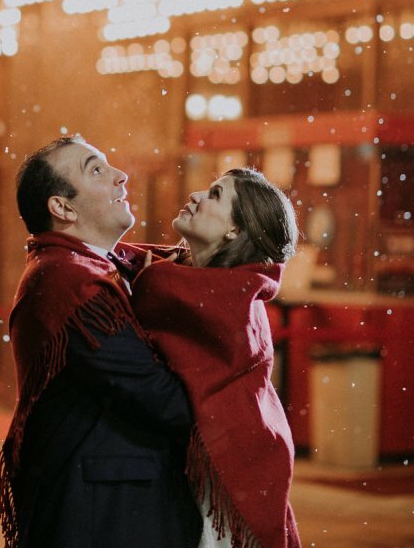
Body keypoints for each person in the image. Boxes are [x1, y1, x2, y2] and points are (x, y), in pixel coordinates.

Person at [0, 135, 202, 548]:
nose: (121, 177)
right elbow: (162, 399)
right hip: (104, 514)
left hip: (117, 504)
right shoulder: (69, 284)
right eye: (96, 170)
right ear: (62, 207)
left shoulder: (105, 268)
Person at [130, 168, 302, 548]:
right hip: (236, 466)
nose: (194, 195)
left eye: (215, 194)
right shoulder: (209, 288)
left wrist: (142, 281)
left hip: (227, 476)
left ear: (235, 232)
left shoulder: (200, 299)